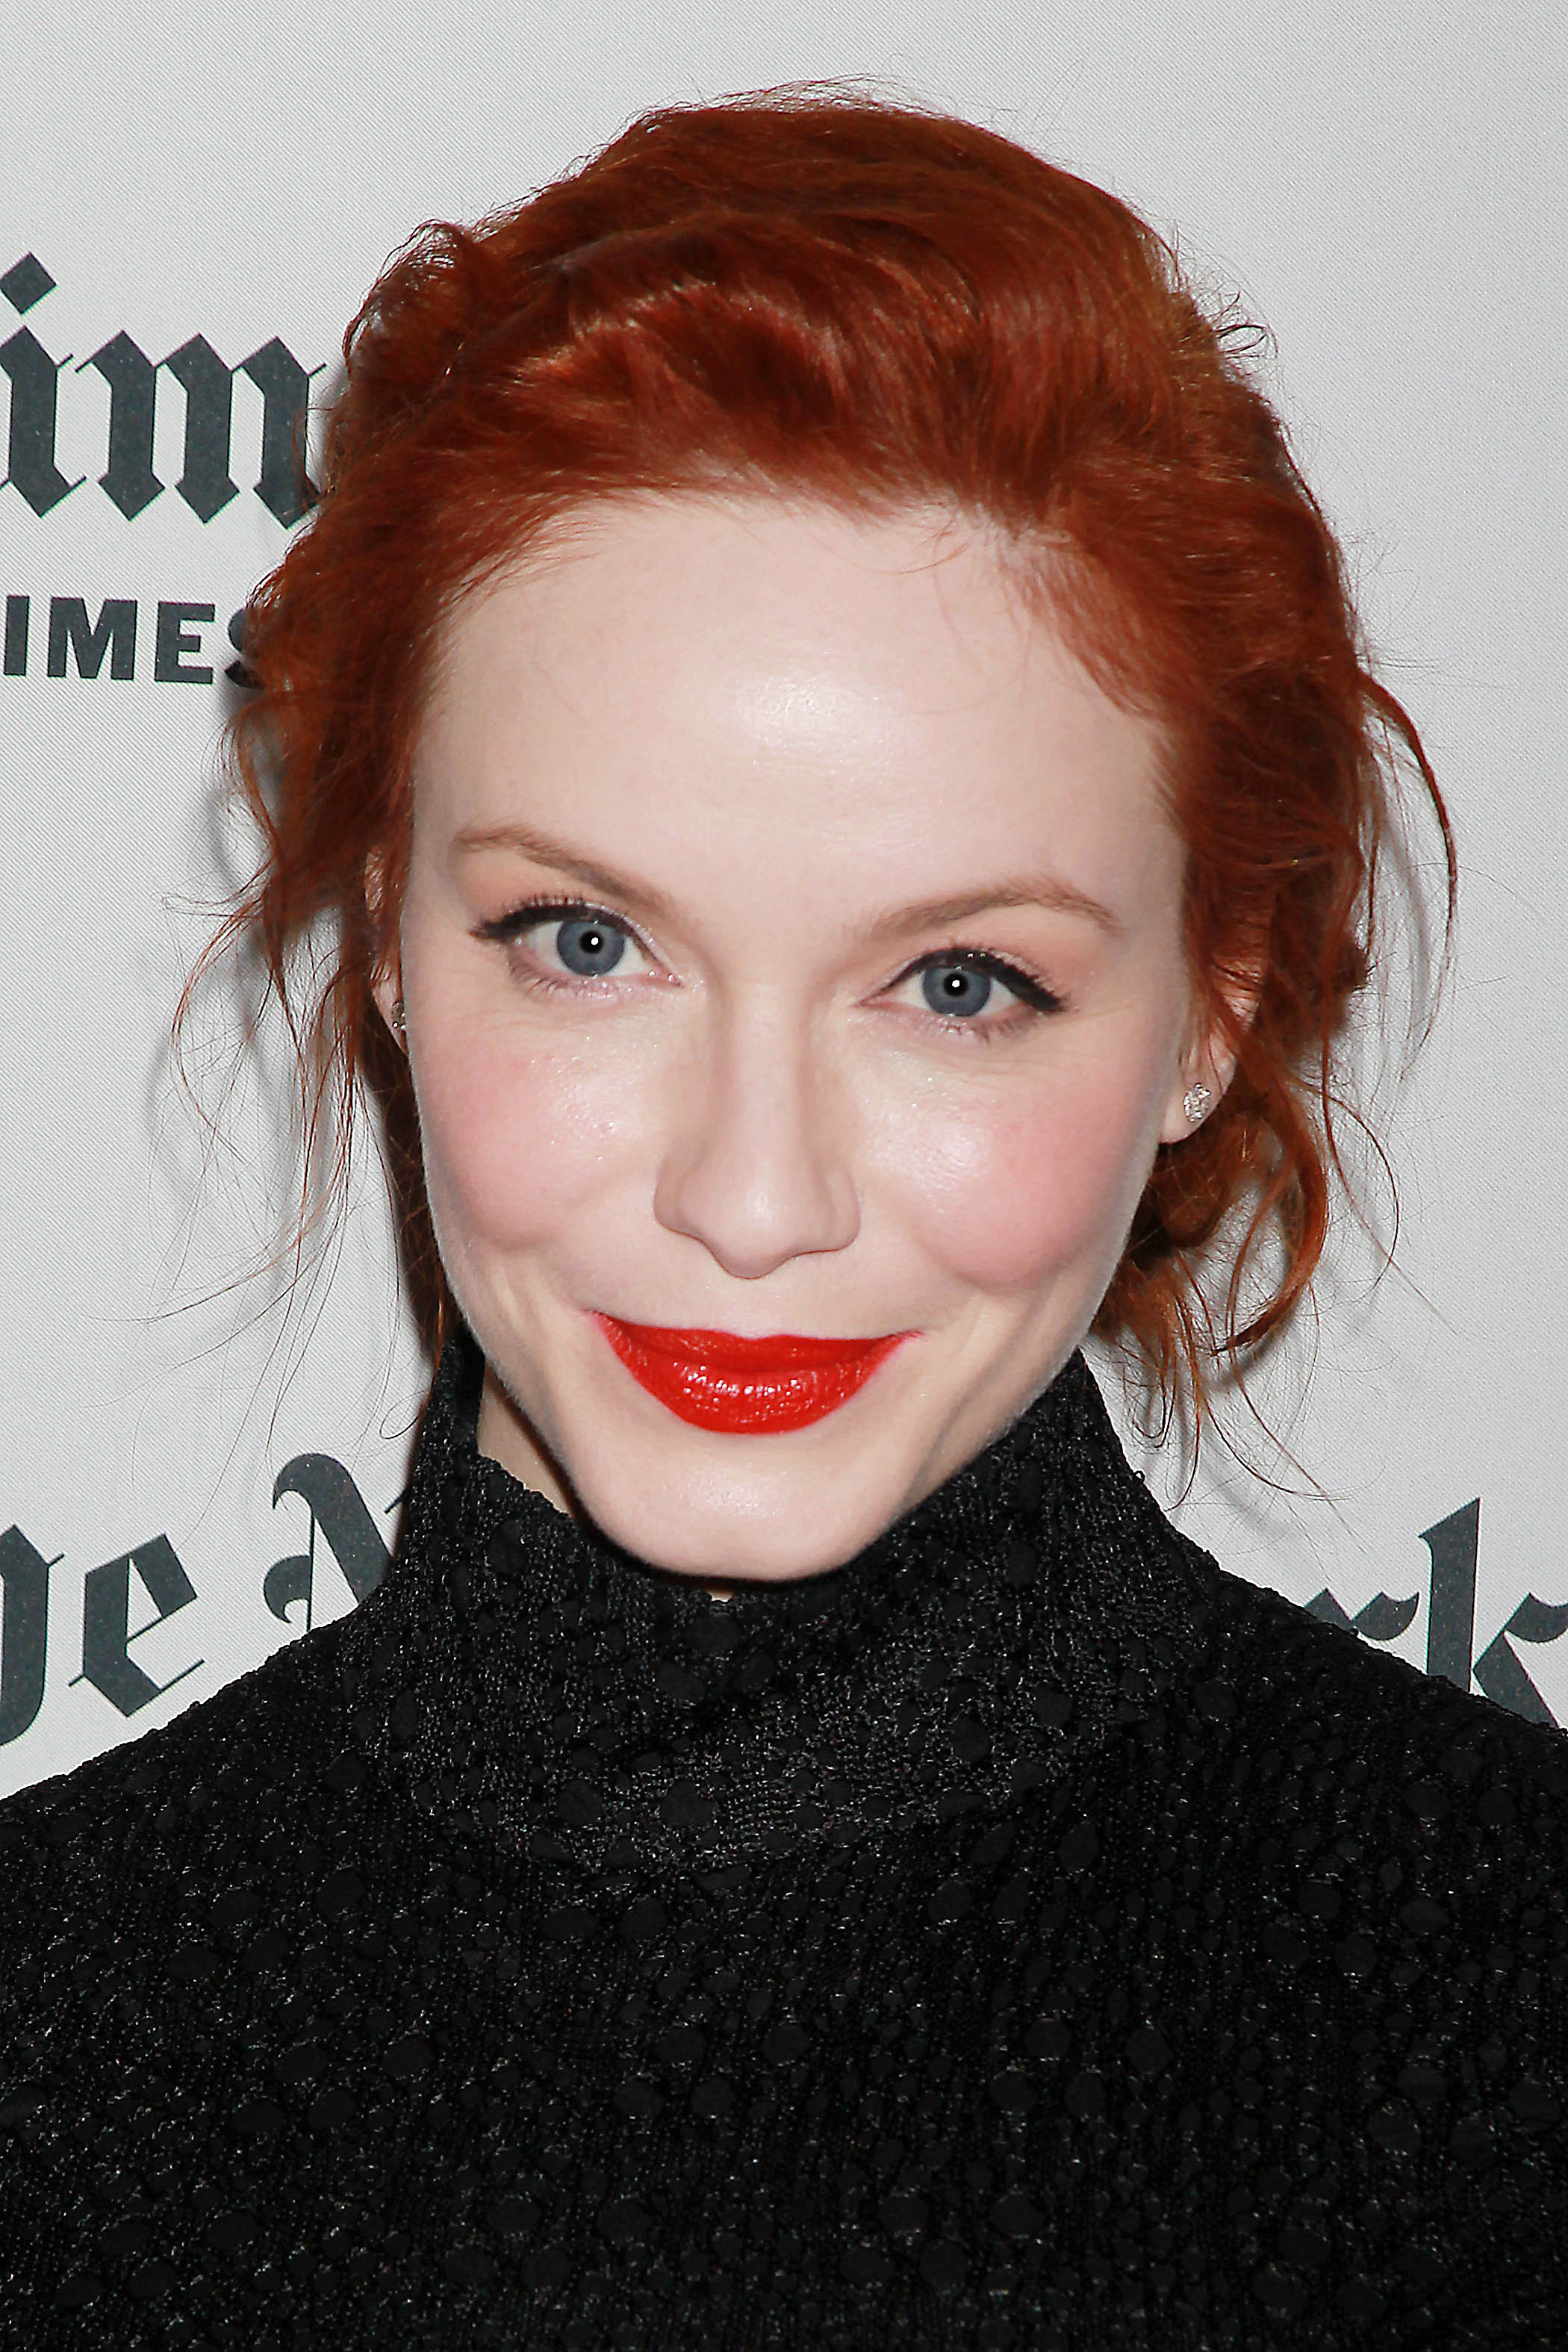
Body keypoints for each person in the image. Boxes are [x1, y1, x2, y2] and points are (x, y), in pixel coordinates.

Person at [0, 86, 1562, 2352]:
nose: (751, 1200)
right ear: (383, 931)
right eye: (588, 944)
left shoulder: (1499, 2015)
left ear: (1213, 1013)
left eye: (960, 986)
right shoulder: (53, 2033)